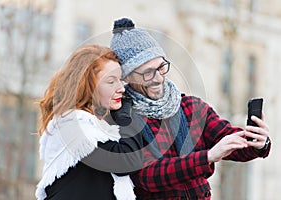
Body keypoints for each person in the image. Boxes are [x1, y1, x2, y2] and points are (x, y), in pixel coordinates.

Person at [110, 18, 271, 200]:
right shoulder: (124, 119)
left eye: (161, 67)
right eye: (148, 73)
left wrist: (258, 142)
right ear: (128, 77)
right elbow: (147, 176)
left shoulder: (191, 108)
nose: (158, 78)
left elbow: (228, 140)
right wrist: (207, 157)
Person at [35, 44, 142, 200]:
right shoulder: (72, 125)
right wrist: (127, 116)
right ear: (87, 85)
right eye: (111, 81)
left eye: (120, 80)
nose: (121, 88)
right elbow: (126, 161)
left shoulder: (99, 127)